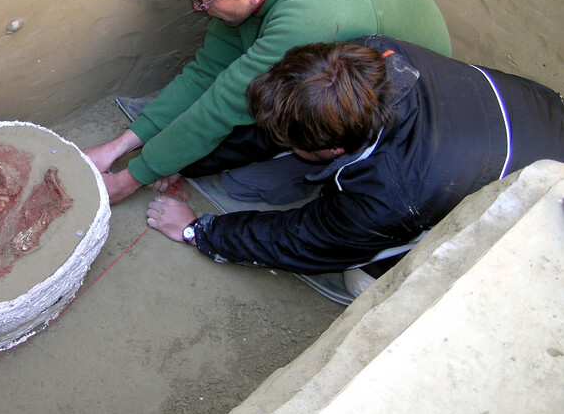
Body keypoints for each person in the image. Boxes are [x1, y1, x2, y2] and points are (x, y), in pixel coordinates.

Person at [84, 0, 451, 204]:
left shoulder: (308, 18)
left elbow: (224, 105)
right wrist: (117, 147)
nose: (201, 10)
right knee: (209, 127)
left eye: (204, 1)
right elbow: (209, 69)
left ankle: (320, 167)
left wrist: (130, 178)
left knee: (250, 138)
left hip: (406, 104)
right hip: (340, 66)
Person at [145, 35, 564, 298]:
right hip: (539, 115)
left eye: (297, 143)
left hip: (540, 206)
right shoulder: (370, 58)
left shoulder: (392, 196)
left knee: (359, 279)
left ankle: (380, 266)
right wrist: (187, 160)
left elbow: (301, 239)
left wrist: (198, 230)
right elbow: (281, 120)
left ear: (332, 149)